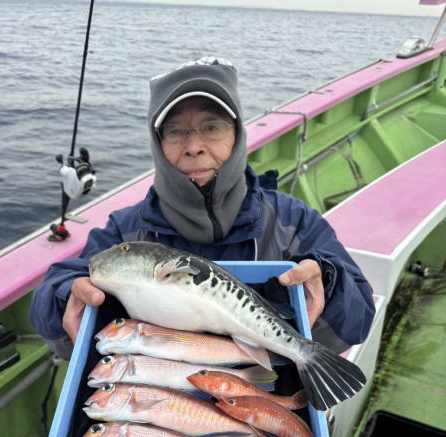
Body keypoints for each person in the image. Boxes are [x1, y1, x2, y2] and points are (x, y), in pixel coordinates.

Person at [29, 55, 375, 359]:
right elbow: (58, 311)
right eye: (175, 131)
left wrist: (328, 282)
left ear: (236, 135)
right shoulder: (126, 231)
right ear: (158, 144)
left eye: (212, 127)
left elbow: (357, 322)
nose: (194, 146)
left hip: (261, 383)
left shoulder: (293, 222)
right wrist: (65, 294)